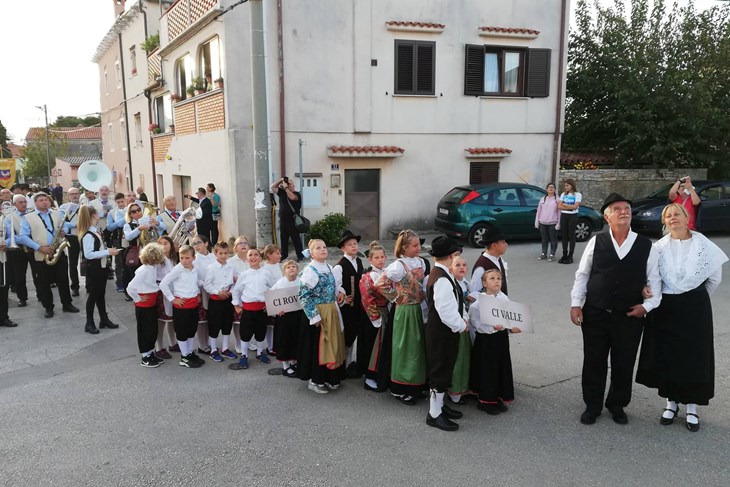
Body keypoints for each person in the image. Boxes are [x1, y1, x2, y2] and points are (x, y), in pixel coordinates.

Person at [570, 193, 661, 426]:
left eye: (627, 208)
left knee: (624, 362)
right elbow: (583, 274)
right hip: (596, 312)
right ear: (607, 216)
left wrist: (646, 306)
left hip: (629, 315)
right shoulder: (596, 241)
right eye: (618, 208)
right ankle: (592, 405)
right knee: (593, 361)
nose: (624, 211)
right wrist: (575, 304)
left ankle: (617, 404)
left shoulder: (645, 245)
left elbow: (654, 281)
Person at [636, 203, 727, 432]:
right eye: (668, 215)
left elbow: (714, 278)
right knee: (669, 354)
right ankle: (670, 403)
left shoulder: (703, 245)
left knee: (694, 356)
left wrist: (692, 297)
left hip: (695, 307)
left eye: (677, 214)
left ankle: (692, 407)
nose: (673, 217)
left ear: (687, 217)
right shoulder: (658, 247)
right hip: (666, 307)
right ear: (664, 221)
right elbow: (651, 277)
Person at [375, 229, 428, 405]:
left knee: (417, 348)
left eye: (419, 244)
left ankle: (415, 385)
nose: (418, 248)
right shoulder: (398, 265)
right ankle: (400, 388)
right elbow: (380, 283)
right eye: (414, 245)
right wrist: (396, 297)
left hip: (419, 309)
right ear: (404, 248)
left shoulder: (420, 262)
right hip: (405, 311)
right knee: (405, 348)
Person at [423, 235, 468, 432]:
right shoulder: (441, 278)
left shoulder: (442, 273)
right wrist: (461, 325)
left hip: (444, 331)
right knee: (440, 371)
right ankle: (434, 414)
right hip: (442, 332)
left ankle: (440, 406)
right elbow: (446, 311)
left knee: (445, 368)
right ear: (451, 255)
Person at [469, 268, 521, 414]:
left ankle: (497, 396)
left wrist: (513, 328)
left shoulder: (503, 298)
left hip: (501, 339)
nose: (496, 281)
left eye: (498, 278)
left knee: (501, 366)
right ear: (484, 283)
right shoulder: (478, 303)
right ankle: (485, 400)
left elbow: (510, 318)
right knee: (488, 369)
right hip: (486, 341)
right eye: (492, 278)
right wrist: (492, 327)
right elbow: (476, 324)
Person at [19, 193, 79, 318]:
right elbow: (23, 237)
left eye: (46, 200)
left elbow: (64, 227)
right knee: (43, 282)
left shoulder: (57, 214)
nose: (44, 202)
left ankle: (67, 304)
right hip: (41, 253)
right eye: (41, 200)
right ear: (35, 203)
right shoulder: (28, 217)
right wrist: (39, 247)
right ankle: (48, 307)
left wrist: (64, 232)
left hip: (58, 250)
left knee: (63, 280)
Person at [298, 239, 346, 394]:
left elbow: (335, 286)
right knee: (319, 347)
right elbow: (304, 296)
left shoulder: (329, 267)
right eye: (318, 248)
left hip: (331, 310)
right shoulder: (310, 271)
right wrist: (314, 316)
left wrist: (340, 292)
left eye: (324, 247)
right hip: (319, 313)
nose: (323, 250)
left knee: (333, 345)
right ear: (311, 253)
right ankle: (315, 380)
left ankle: (330, 377)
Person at [333, 229, 374, 378]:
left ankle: (350, 363)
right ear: (343, 248)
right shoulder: (339, 266)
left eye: (355, 243)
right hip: (347, 308)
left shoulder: (358, 261)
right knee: (346, 336)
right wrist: (343, 297)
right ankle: (342, 365)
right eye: (349, 244)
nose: (353, 246)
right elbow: (336, 286)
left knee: (354, 334)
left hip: (359, 306)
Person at [229, 248, 277, 370]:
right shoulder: (244, 275)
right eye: (250, 255)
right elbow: (236, 291)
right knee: (245, 333)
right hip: (248, 310)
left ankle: (260, 353)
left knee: (261, 332)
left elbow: (273, 288)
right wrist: (236, 306)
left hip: (262, 309)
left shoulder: (266, 273)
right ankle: (244, 355)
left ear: (260, 259)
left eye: (256, 255)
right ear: (247, 259)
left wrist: (272, 303)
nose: (253, 257)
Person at [159, 245, 204, 368]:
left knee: (191, 330)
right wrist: (173, 299)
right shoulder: (177, 270)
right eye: (182, 258)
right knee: (182, 331)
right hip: (182, 306)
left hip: (193, 304)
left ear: (193, 258)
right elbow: (163, 284)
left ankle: (189, 353)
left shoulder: (195, 268)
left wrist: (199, 291)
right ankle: (184, 356)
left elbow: (196, 282)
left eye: (187, 258)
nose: (184, 260)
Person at [78, 205, 120, 334]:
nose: (99, 215)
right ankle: (89, 323)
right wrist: (107, 252)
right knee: (93, 296)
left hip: (100, 268)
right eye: (97, 213)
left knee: (100, 295)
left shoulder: (94, 230)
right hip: (94, 269)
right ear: (93, 216)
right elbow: (89, 254)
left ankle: (104, 319)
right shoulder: (88, 234)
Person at [127, 243, 166, 368]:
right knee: (145, 331)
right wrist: (138, 298)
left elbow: (152, 284)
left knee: (152, 330)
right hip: (144, 306)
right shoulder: (144, 270)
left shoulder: (152, 268)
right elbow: (131, 287)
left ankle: (150, 352)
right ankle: (145, 356)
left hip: (151, 303)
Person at [359, 241, 391, 392]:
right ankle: (370, 377)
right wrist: (375, 318)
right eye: (376, 257)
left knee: (382, 347)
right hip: (373, 316)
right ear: (370, 260)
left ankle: (380, 373)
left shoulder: (386, 273)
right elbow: (367, 298)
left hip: (385, 312)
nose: (380, 259)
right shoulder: (368, 276)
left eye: (382, 256)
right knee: (372, 347)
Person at [202, 241, 237, 362]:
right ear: (215, 253)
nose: (223, 256)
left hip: (227, 298)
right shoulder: (211, 268)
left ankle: (225, 348)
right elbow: (207, 285)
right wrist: (218, 292)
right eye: (220, 253)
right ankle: (213, 350)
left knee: (227, 323)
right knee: (214, 324)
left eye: (225, 253)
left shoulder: (230, 267)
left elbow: (234, 282)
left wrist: (230, 292)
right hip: (216, 300)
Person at [271, 259, 304, 377]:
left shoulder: (301, 282)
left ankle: (294, 362)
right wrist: (277, 309)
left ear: (297, 270)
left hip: (298, 316)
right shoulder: (280, 283)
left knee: (296, 339)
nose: (291, 268)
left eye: (294, 266)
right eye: (288, 267)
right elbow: (272, 298)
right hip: (284, 317)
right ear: (284, 271)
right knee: (285, 340)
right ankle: (285, 366)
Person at [447, 255, 472, 406]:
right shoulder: (450, 285)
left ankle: (463, 388)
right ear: (450, 268)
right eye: (457, 265)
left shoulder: (466, 284)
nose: (462, 267)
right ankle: (453, 391)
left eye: (464, 264)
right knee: (456, 360)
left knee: (464, 359)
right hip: (456, 325)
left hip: (466, 324)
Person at [154, 236, 178, 359]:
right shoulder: (157, 259)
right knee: (161, 321)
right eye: (160, 243)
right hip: (161, 290)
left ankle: (172, 343)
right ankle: (158, 347)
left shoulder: (173, 258)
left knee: (171, 319)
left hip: (172, 290)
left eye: (165, 243)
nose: (163, 246)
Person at [270, 177, 305, 262]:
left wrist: (286, 188)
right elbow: (273, 187)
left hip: (292, 220)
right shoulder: (282, 193)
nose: (288, 185)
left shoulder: (297, 194)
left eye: (290, 184)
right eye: (287, 184)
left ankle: (300, 255)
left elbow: (293, 198)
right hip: (283, 220)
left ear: (293, 186)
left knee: (295, 238)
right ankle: (284, 255)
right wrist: (281, 180)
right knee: (283, 238)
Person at [468, 226, 509, 295]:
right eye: (503, 242)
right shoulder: (481, 267)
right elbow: (474, 293)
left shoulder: (499, 258)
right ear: (494, 245)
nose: (507, 245)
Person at [191, 235, 214, 355]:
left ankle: (208, 342)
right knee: (201, 320)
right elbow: (194, 277)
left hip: (213, 291)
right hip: (200, 290)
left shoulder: (213, 257)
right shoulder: (194, 259)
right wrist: (203, 284)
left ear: (206, 243)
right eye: (194, 244)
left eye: (198, 243)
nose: (196, 246)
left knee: (210, 318)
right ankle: (201, 344)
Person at [7, 194, 31, 307]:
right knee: (19, 276)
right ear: (15, 204)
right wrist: (22, 239)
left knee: (39, 274)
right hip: (19, 250)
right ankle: (22, 298)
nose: (24, 204)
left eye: (25, 202)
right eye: (20, 202)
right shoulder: (10, 217)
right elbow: (10, 235)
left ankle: (42, 295)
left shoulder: (32, 214)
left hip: (33, 248)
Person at [228, 236, 250, 354]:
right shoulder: (230, 262)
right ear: (235, 248)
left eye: (245, 243)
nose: (243, 245)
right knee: (237, 321)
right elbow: (225, 276)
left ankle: (247, 341)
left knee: (248, 320)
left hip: (250, 295)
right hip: (236, 294)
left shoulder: (251, 259)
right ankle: (238, 343)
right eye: (240, 243)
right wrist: (236, 278)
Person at [60, 187, 82, 297]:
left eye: (76, 193)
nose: (74, 196)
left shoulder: (85, 206)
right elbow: (62, 222)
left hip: (85, 235)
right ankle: (75, 287)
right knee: (73, 263)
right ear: (68, 196)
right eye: (72, 194)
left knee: (88, 261)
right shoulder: (63, 207)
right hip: (72, 237)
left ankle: (89, 285)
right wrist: (75, 225)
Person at [0, 209, 18, 328]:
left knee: (3, 290)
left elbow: (10, 235)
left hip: (1, 258)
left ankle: (3, 317)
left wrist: (5, 243)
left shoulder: (3, 220)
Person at [107, 193, 128, 292]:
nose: (121, 204)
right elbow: (109, 227)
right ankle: (119, 283)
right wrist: (120, 222)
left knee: (129, 260)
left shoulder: (130, 209)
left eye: (122, 201)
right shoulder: (112, 212)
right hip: (117, 238)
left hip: (129, 238)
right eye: (118, 202)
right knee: (119, 261)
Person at [558, 179, 582, 264]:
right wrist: (569, 207)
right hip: (564, 216)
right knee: (564, 236)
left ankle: (570, 256)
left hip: (573, 216)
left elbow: (575, 207)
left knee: (571, 236)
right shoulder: (563, 194)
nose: (566, 187)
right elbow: (559, 206)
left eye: (567, 185)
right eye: (565, 185)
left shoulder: (577, 194)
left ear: (572, 185)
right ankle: (564, 255)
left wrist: (565, 204)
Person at [535, 182, 560, 261]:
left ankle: (552, 254)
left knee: (553, 239)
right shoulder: (542, 199)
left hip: (553, 223)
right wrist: (537, 222)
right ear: (546, 189)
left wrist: (558, 223)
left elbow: (559, 212)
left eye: (552, 187)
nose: (551, 188)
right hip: (543, 222)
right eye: (549, 187)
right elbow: (539, 211)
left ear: (555, 189)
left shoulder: (557, 199)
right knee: (544, 239)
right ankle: (544, 253)